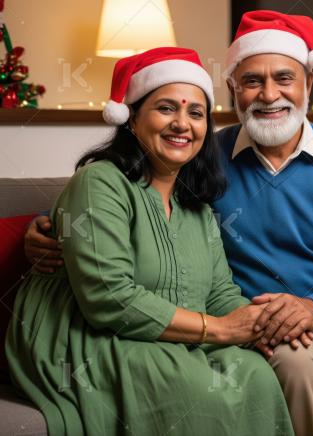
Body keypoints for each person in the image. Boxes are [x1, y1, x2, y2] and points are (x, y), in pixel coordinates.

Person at [26, 11, 313, 436]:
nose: (269, 94)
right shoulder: (203, 156)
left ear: (308, 84)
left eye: (284, 78)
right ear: (233, 90)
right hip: (258, 323)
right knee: (297, 361)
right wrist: (48, 228)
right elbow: (127, 189)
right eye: (252, 81)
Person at [7, 47, 293, 435]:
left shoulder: (197, 206)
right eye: (166, 108)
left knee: (257, 374)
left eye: (195, 113)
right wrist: (222, 330)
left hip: (168, 333)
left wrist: (265, 322)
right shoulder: (100, 182)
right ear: (132, 119)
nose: (182, 124)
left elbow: (220, 292)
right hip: (88, 335)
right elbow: (108, 297)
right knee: (198, 392)